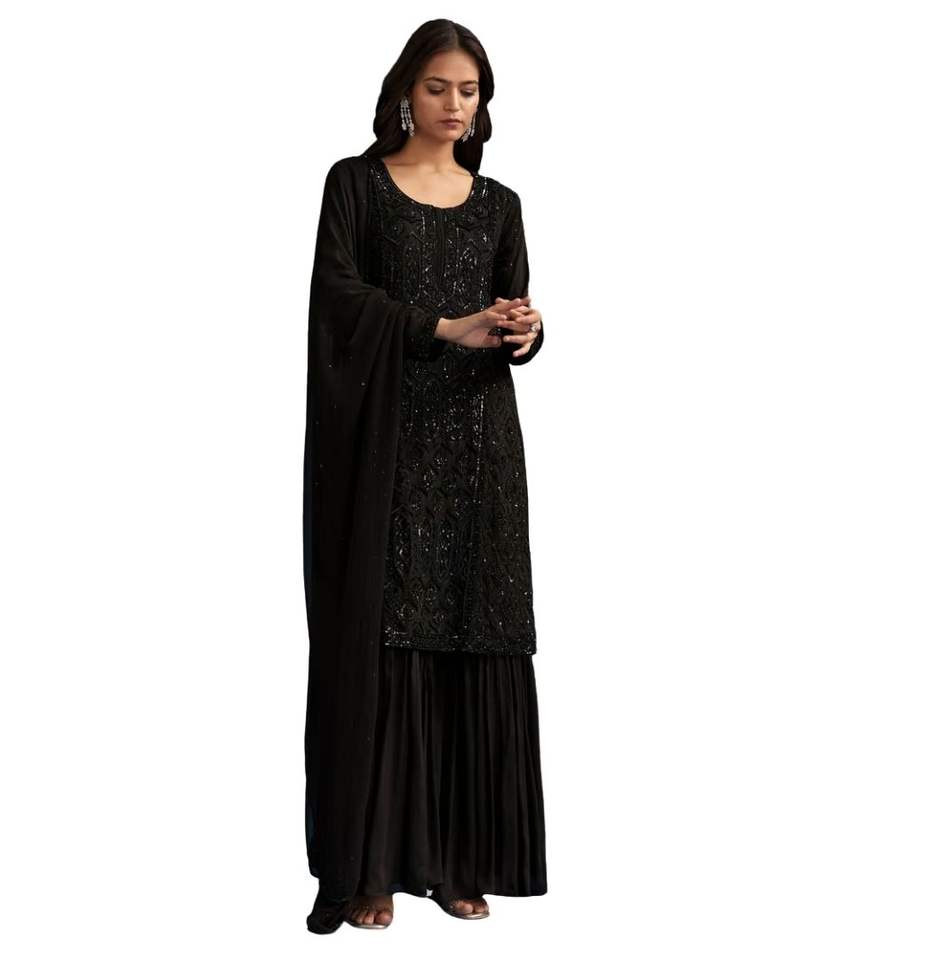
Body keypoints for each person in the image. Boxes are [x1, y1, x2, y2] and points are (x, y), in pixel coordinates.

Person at [302, 19, 547, 934]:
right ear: (406, 90)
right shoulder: (356, 186)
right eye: (438, 87)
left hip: (480, 452)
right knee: (385, 641)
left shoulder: (500, 204)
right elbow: (339, 300)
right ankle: (372, 868)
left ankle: (455, 864)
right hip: (387, 449)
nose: (454, 105)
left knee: (468, 638)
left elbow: (511, 315)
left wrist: (523, 330)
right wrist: (441, 328)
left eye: (469, 91)